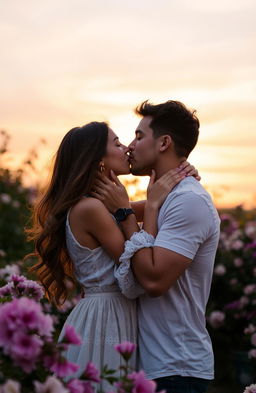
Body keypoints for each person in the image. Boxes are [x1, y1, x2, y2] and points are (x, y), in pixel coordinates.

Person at [27, 121, 197, 385]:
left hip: (112, 312)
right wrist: (151, 205)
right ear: (99, 161)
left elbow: (141, 207)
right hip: (104, 318)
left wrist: (179, 173)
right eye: (116, 144)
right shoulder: (90, 209)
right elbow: (139, 256)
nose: (126, 148)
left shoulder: (99, 205)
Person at [92, 100, 221, 393]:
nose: (130, 146)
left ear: (164, 143)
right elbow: (116, 209)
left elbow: (153, 279)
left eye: (139, 136)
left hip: (177, 366)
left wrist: (125, 213)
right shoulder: (166, 198)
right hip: (152, 364)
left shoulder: (189, 200)